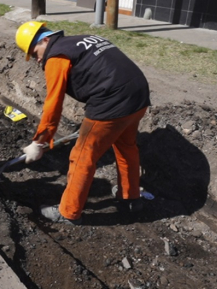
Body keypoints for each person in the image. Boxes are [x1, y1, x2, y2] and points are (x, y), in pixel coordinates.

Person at [15, 21, 151, 224]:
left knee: (82, 156)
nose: (36, 60)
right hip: (138, 95)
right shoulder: (81, 40)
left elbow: (53, 102)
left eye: (35, 53)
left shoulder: (57, 56)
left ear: (44, 40)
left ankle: (69, 212)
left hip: (111, 101)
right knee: (126, 146)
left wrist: (39, 141)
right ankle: (130, 197)